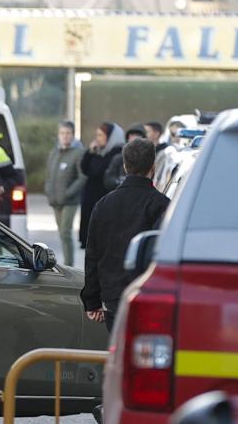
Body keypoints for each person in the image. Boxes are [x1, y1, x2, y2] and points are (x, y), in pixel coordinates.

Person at [82, 138, 171, 332]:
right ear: (153, 167)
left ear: (124, 166)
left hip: (113, 299)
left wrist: (92, 301)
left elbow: (93, 255)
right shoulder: (163, 206)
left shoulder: (103, 204)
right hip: (148, 297)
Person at [43, 120, 85, 265]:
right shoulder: (54, 152)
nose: (65, 136)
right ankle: (67, 262)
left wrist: (68, 193)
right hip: (55, 200)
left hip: (70, 200)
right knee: (61, 233)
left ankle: (69, 265)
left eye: (68, 133)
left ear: (73, 135)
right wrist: (48, 191)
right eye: (62, 133)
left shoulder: (79, 152)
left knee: (66, 232)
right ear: (58, 135)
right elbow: (48, 176)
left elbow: (83, 176)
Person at [78, 122, 123, 250]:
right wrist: (90, 152)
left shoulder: (116, 152)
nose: (97, 138)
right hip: (91, 196)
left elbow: (98, 170)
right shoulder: (99, 151)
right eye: (97, 135)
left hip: (103, 197)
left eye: (101, 135)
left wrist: (94, 155)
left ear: (111, 137)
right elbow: (85, 168)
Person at [104, 123, 148, 192]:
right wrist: (120, 182)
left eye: (138, 135)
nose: (135, 138)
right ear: (128, 138)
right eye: (132, 135)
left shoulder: (148, 159)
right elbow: (108, 180)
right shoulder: (118, 158)